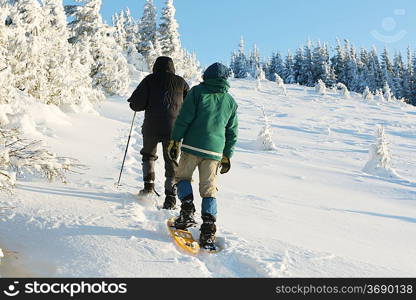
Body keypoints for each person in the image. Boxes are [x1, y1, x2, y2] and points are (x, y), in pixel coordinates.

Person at [168, 62, 238, 250]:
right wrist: (227, 155)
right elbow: (232, 132)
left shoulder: (198, 92)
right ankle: (208, 229)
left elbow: (184, 117)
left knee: (182, 178)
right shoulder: (230, 101)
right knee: (209, 190)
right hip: (215, 152)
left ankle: (187, 212)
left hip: (192, 146)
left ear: (207, 75)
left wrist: (175, 140)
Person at [128, 56, 189, 210]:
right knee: (171, 160)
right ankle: (170, 197)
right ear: (172, 67)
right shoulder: (181, 82)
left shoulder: (149, 79)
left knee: (148, 155)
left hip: (151, 127)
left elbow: (136, 104)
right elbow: (189, 105)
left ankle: (148, 188)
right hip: (173, 129)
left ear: (156, 66)